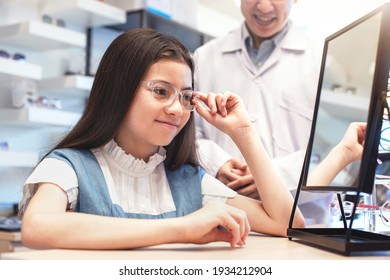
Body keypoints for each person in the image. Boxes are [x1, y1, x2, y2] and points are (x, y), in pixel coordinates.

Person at [18, 28, 362, 250]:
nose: (176, 109)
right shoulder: (70, 166)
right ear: (118, 90)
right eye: (160, 91)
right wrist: (182, 228)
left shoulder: (187, 180)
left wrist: (243, 133)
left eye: (185, 96)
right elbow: (38, 226)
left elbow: (286, 224)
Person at [193, 0, 329, 224]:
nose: (264, 7)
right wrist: (216, 163)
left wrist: (272, 177)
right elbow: (186, 132)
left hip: (304, 225)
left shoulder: (322, 60)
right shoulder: (204, 57)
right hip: (220, 219)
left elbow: (332, 149)